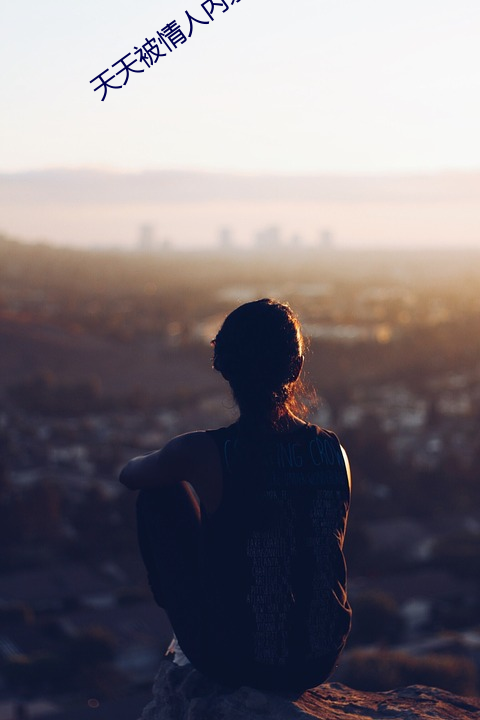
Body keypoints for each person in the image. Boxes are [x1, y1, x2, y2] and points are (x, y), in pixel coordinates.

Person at [119, 298, 351, 694]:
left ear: (224, 367)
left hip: (234, 660)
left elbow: (130, 475)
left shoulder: (201, 452)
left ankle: (189, 630)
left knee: (158, 495)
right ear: (295, 368)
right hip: (318, 659)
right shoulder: (334, 451)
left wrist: (177, 459)